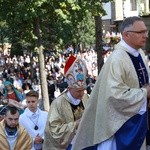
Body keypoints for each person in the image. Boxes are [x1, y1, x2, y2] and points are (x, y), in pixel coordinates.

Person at [72, 16, 150, 150]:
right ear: (126, 35)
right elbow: (114, 95)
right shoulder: (117, 59)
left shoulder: (140, 53)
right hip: (122, 128)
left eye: (146, 31)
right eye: (141, 32)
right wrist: (144, 93)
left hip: (140, 121)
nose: (146, 35)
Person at [43, 55, 89, 150]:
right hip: (68, 146)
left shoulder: (85, 98)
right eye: (78, 91)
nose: (81, 94)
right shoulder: (58, 103)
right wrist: (76, 124)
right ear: (70, 88)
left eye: (83, 90)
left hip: (85, 142)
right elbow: (53, 131)